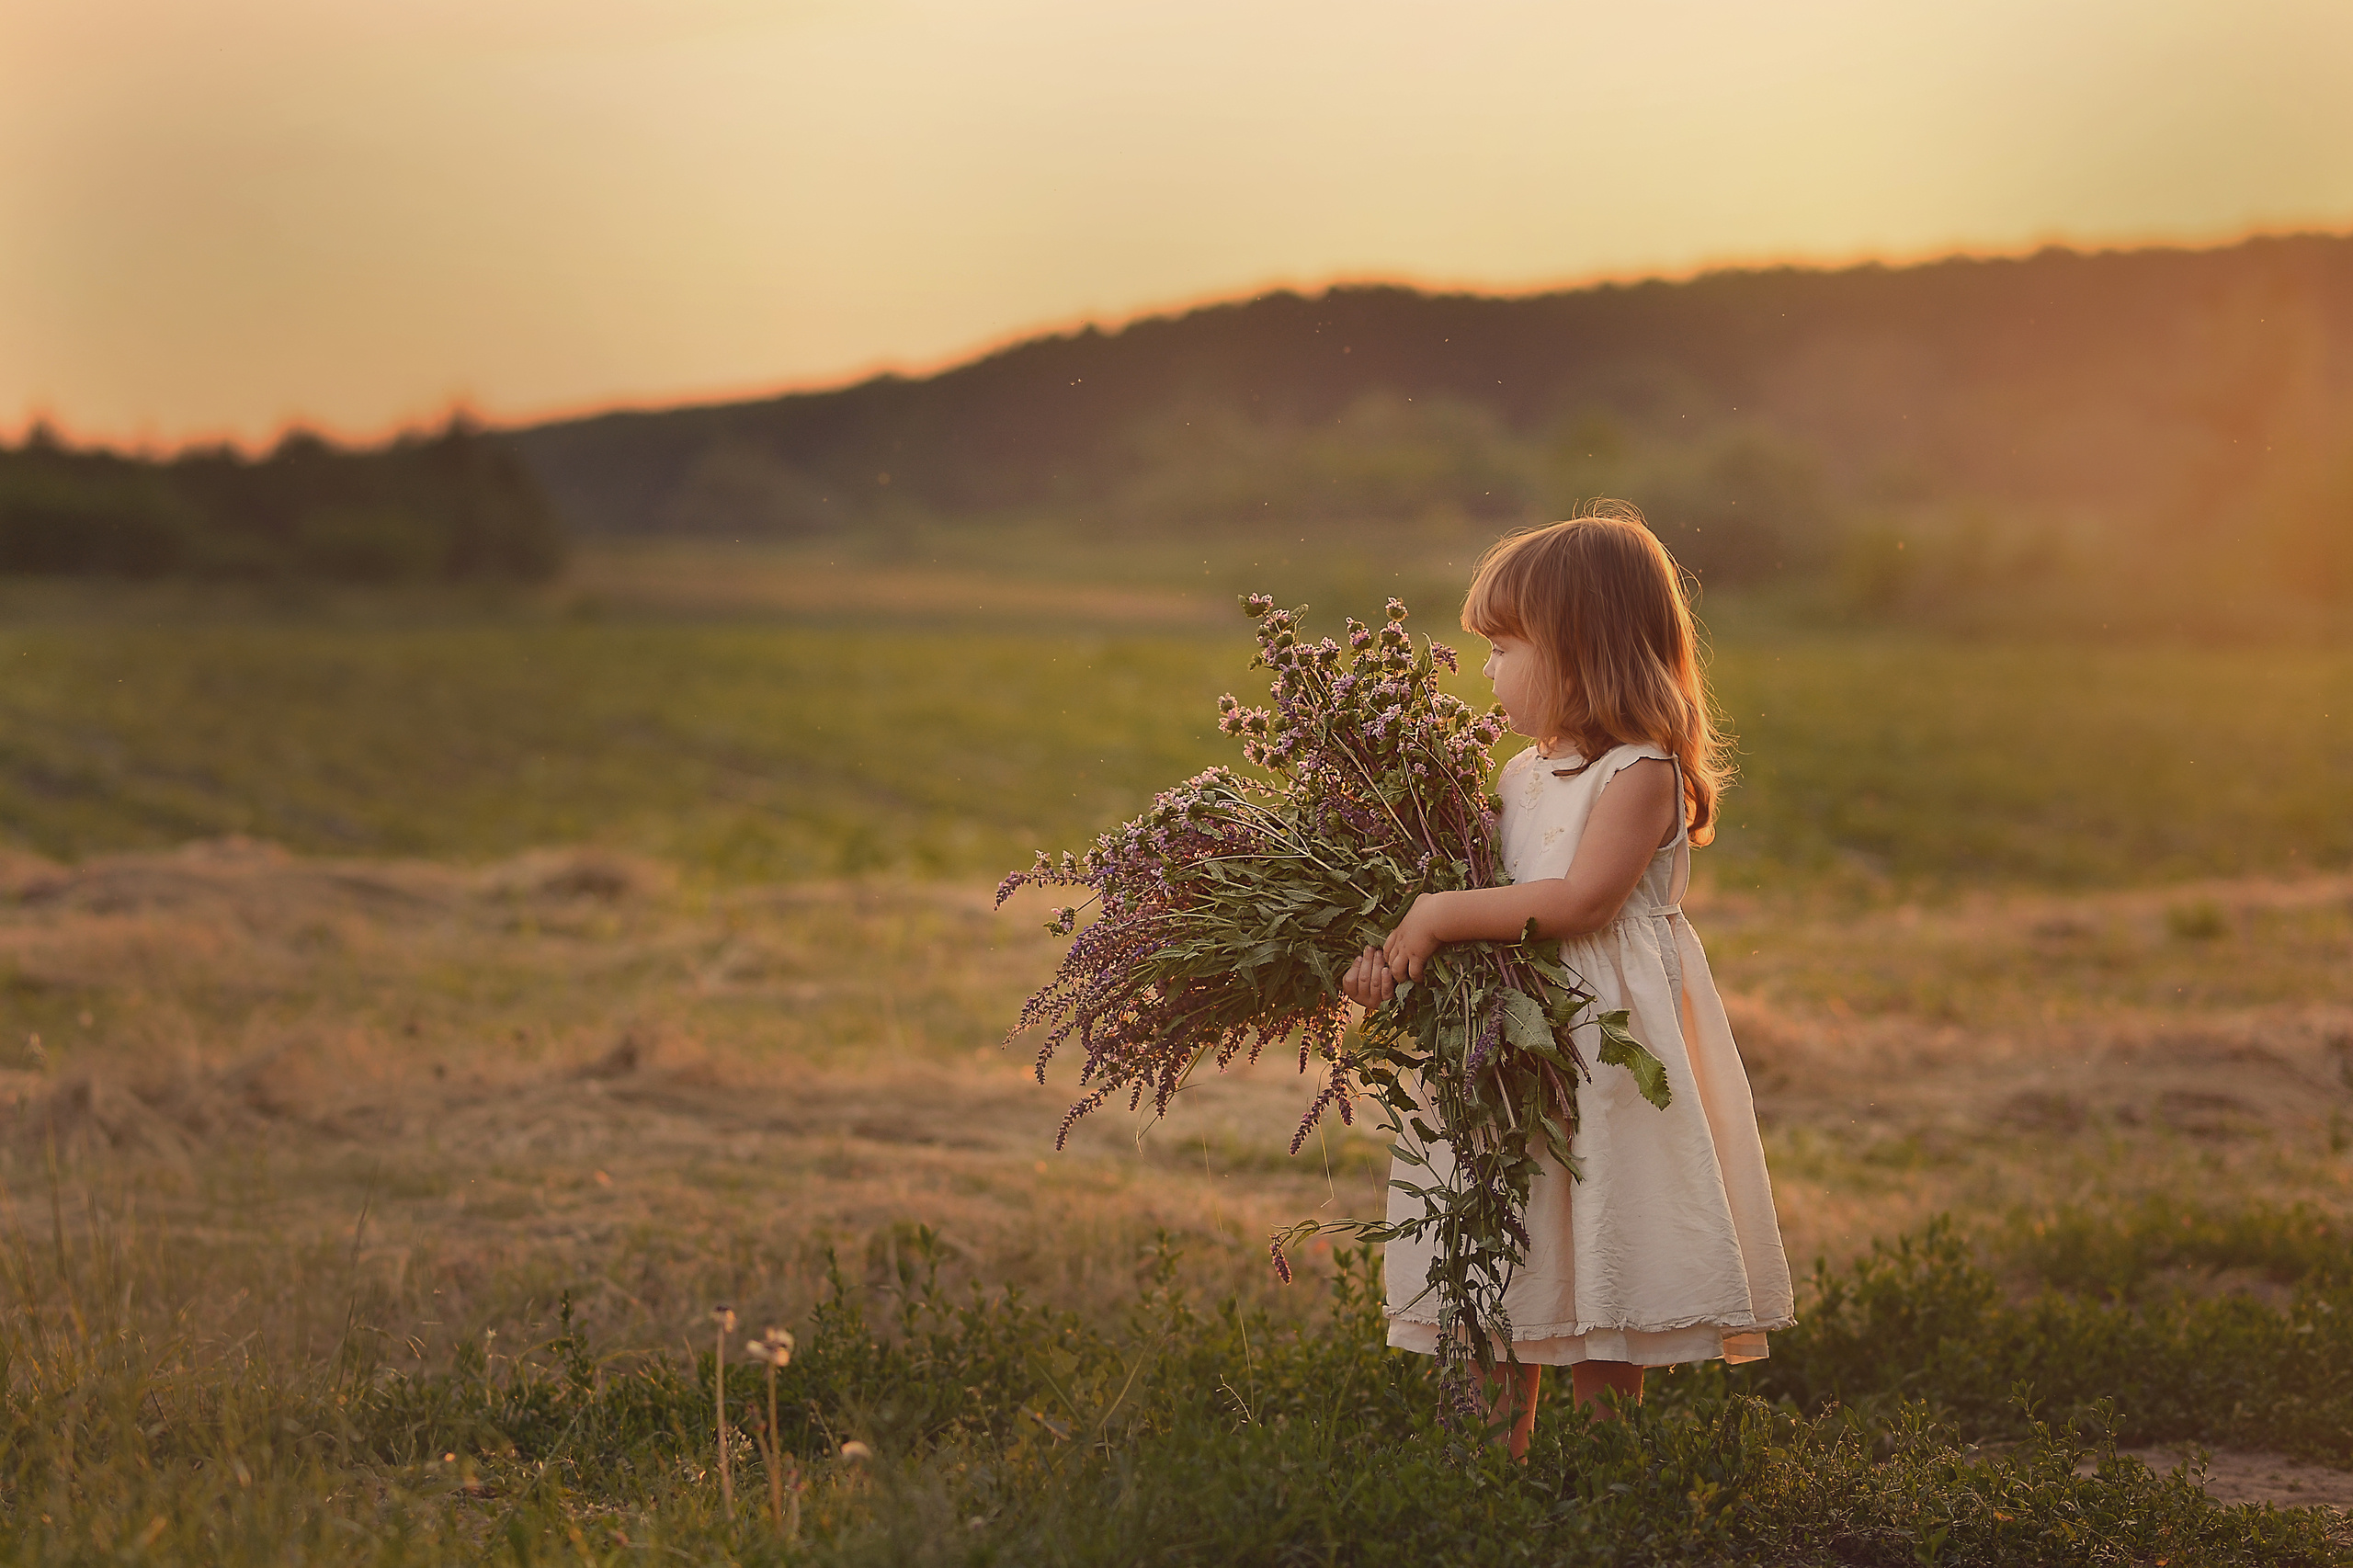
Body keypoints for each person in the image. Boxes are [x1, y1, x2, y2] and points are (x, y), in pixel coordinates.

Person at [1340, 506, 1793, 1458]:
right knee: (1495, 1240)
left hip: (1602, 1049)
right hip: (1508, 1047)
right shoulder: (1517, 774)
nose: (1488, 671)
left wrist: (1436, 911)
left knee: (1601, 1239)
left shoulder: (1640, 771)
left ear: (1581, 652)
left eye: (1506, 646)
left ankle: (1601, 1486)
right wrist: (1392, 953)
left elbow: (1580, 900)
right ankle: (1484, 1489)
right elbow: (1491, 902)